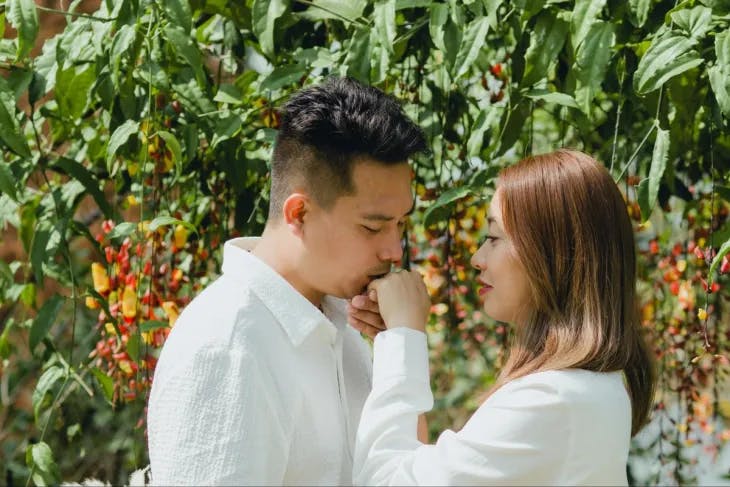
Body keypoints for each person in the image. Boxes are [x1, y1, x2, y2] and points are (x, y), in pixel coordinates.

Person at [146, 76, 427, 485]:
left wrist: (400, 345)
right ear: (299, 214)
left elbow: (409, 473)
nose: (395, 252)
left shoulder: (345, 327)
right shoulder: (228, 344)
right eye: (372, 227)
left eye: (401, 224)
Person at [350, 149, 657, 486]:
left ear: (550, 253)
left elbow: (381, 481)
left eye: (494, 238)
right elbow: (413, 468)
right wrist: (399, 343)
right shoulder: (591, 391)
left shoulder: (551, 402)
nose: (477, 258)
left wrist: (404, 335)